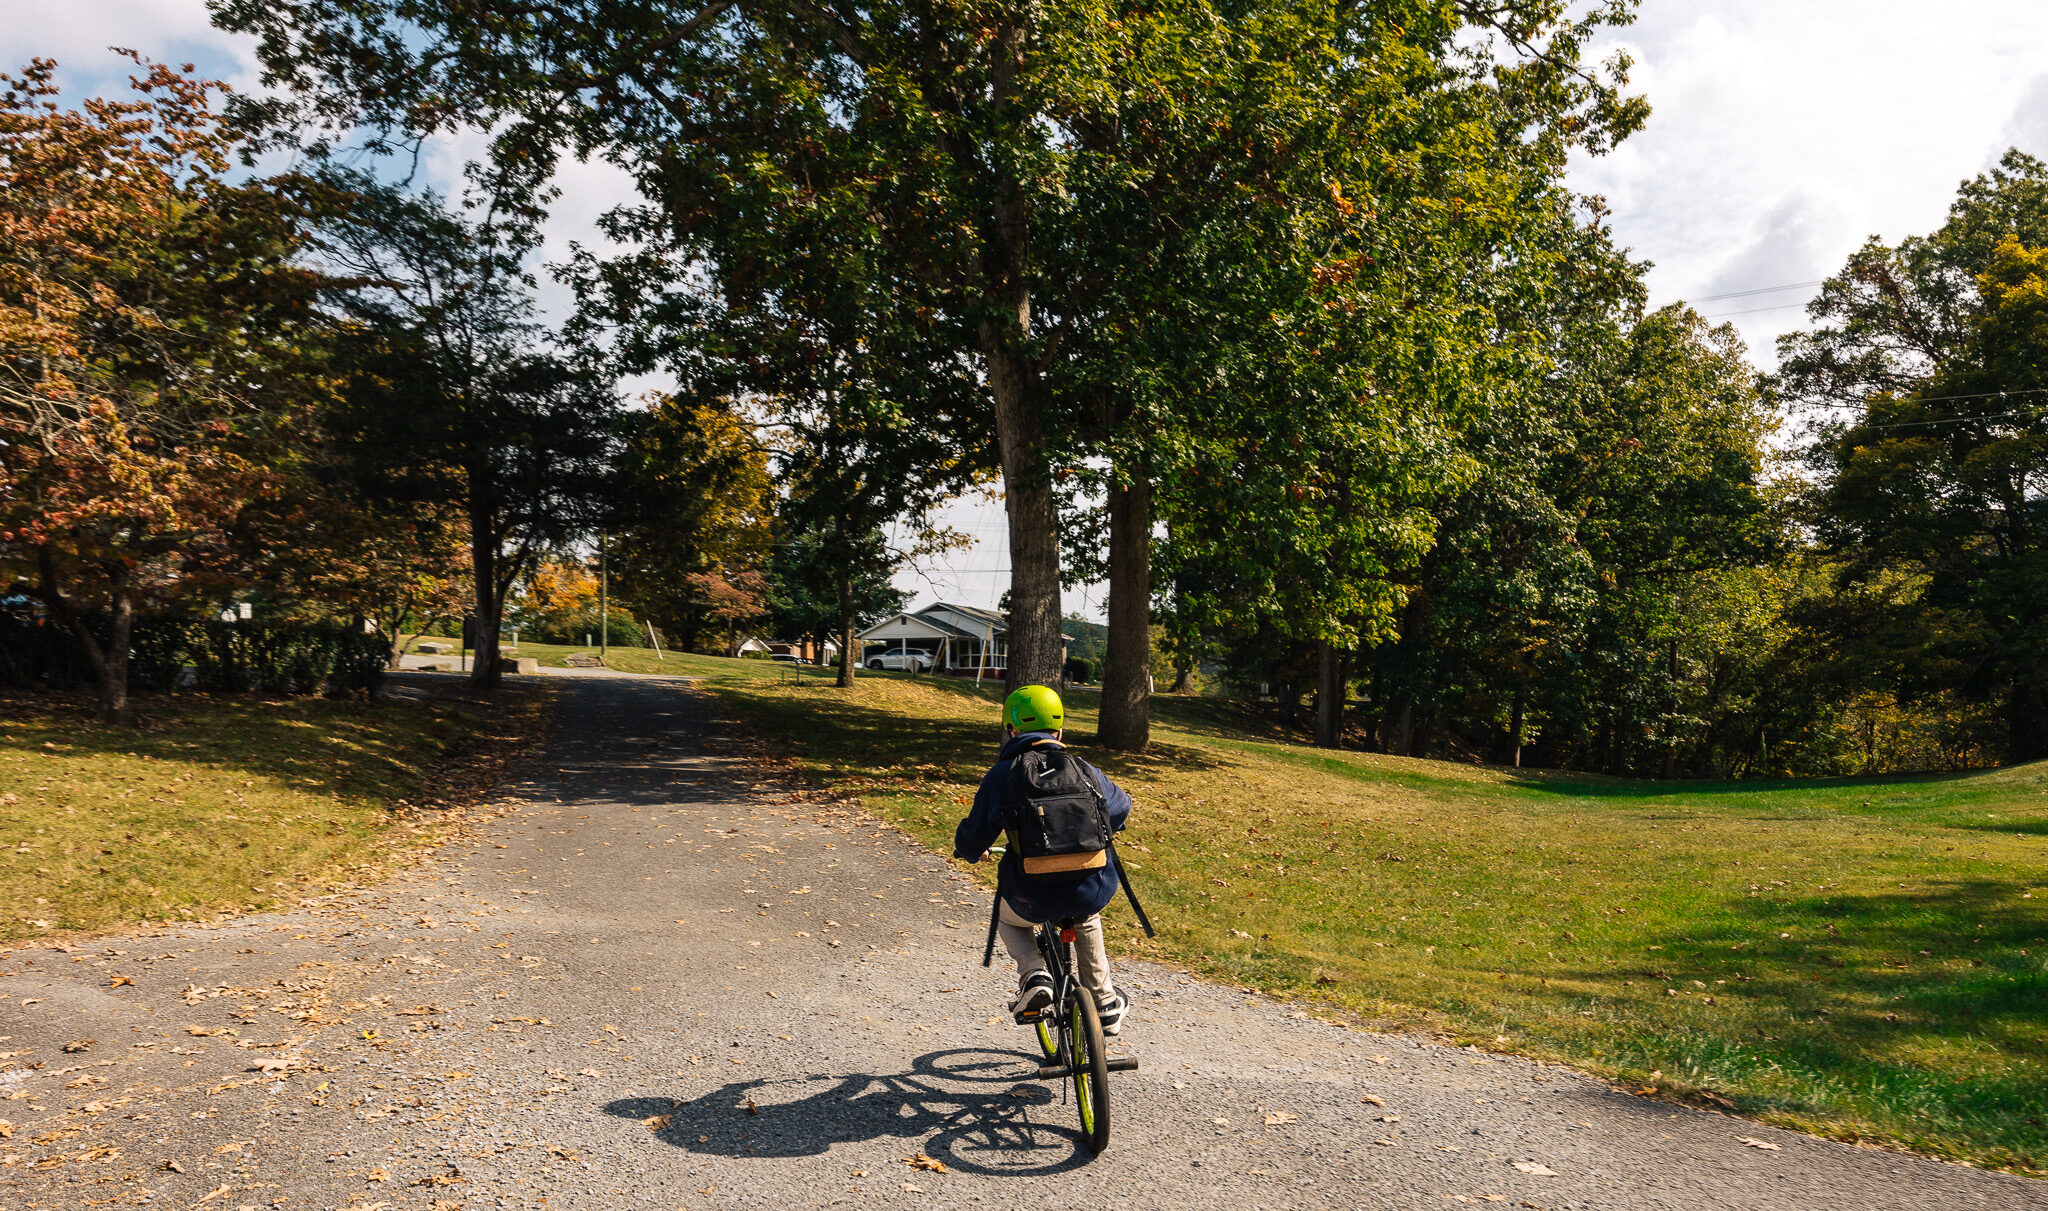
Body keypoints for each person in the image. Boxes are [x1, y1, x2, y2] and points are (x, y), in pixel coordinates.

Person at [954, 684, 1135, 1035]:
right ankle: (1105, 1002)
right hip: (1089, 886)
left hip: (1030, 894)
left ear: (1011, 730)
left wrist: (970, 851)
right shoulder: (1084, 769)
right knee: (1086, 913)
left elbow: (975, 834)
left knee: (1010, 920)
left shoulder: (1003, 775)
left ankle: (1034, 975)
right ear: (1061, 730)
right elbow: (1121, 806)